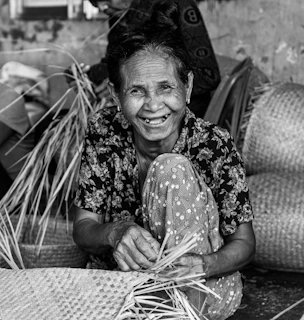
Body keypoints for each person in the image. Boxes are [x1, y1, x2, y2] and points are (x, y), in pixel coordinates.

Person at [73, 1, 255, 319]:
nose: (153, 106)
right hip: (124, 290)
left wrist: (203, 264)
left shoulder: (213, 144)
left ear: (188, 89)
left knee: (170, 167)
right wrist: (115, 232)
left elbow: (244, 242)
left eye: (166, 87)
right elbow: (83, 227)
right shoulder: (104, 130)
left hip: (202, 290)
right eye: (137, 91)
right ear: (116, 97)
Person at [84, 0, 221, 118]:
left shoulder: (177, 4)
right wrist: (86, 76)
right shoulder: (119, 15)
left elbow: (207, 76)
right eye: (94, 2)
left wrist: (132, 86)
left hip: (182, 113)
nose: (102, 7)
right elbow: (113, 64)